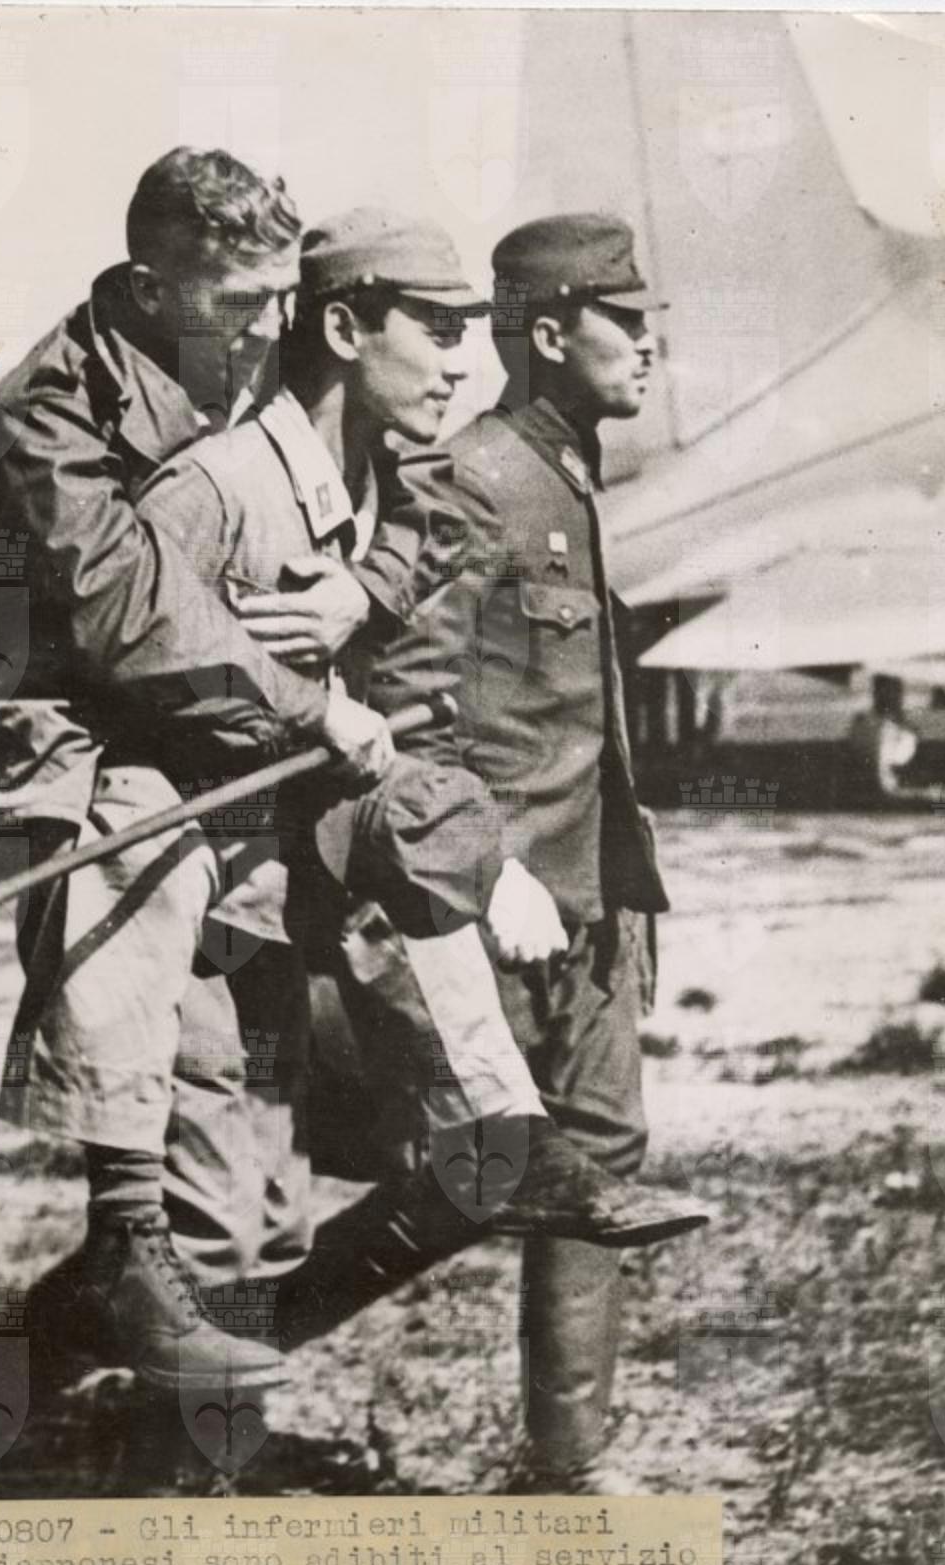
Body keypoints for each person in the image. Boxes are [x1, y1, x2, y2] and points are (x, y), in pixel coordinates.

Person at [0, 149, 426, 1410]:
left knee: (251, 1159)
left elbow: (401, 452)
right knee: (136, 837)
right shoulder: (39, 420)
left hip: (173, 723)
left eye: (280, 299)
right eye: (241, 302)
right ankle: (119, 1242)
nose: (269, 329)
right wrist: (311, 706)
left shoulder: (235, 345)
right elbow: (129, 618)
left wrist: (364, 589)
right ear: (151, 286)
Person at [273, 213, 704, 1493]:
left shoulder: (567, 471)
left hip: (587, 905)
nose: (649, 345)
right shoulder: (467, 477)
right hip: (486, 904)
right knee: (463, 1179)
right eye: (626, 321)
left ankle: (564, 1471)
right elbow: (407, 715)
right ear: (550, 334)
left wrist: (620, 889)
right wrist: (486, 873)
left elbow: (577, 716)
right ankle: (222, 1351)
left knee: (601, 1158)